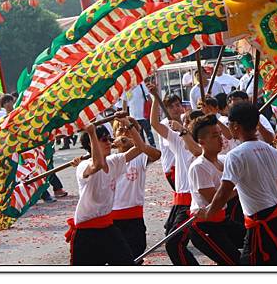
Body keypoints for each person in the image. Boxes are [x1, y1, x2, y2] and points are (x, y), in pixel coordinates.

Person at [196, 102, 277, 265]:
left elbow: (223, 192)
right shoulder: (270, 149)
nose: (227, 128)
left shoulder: (235, 155)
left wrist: (208, 214)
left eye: (229, 123)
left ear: (236, 125)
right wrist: (263, 184)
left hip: (260, 222)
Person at [226, 91, 277, 246]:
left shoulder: (260, 122)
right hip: (250, 175)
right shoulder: (237, 144)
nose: (232, 102)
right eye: (230, 100)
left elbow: (271, 139)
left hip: (265, 170)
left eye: (236, 99)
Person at [65, 115, 147, 265]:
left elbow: (140, 148)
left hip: (107, 227)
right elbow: (97, 165)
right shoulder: (84, 166)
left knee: (128, 265)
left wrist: (128, 125)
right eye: (104, 140)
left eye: (109, 139)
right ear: (92, 144)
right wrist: (90, 133)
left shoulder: (114, 161)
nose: (109, 143)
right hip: (86, 231)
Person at [150, 83, 203, 266]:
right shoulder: (178, 141)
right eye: (186, 121)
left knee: (175, 244)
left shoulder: (204, 143)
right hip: (180, 199)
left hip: (193, 200)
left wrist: (182, 130)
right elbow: (155, 124)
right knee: (172, 237)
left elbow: (197, 151)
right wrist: (155, 97)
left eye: (190, 122)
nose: (187, 123)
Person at [187, 114, 241, 265]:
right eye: (215, 136)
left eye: (220, 135)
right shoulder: (199, 166)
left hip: (222, 220)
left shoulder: (223, 160)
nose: (221, 139)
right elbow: (215, 199)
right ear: (201, 141)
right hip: (204, 225)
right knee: (233, 262)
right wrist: (240, 188)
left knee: (254, 241)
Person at [111, 117, 161, 260]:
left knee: (136, 256)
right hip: (112, 218)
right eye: (121, 129)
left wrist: (133, 142)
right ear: (114, 134)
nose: (125, 132)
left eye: (129, 129)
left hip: (134, 217)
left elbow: (157, 155)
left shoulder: (140, 156)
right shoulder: (109, 159)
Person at [146, 86, 182, 191]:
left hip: (185, 166)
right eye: (171, 107)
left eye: (177, 105)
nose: (175, 109)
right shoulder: (166, 124)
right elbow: (154, 123)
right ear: (165, 110)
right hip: (173, 168)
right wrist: (156, 99)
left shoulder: (185, 119)